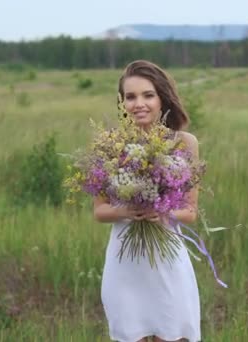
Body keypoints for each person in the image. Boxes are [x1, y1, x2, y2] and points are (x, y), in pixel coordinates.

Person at [93, 60, 201, 342]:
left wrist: (163, 212)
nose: (138, 103)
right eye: (130, 96)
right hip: (125, 262)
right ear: (122, 103)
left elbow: (190, 212)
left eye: (147, 95)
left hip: (167, 260)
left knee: (172, 333)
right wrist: (127, 209)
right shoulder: (110, 146)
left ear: (162, 97)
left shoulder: (184, 142)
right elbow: (100, 211)